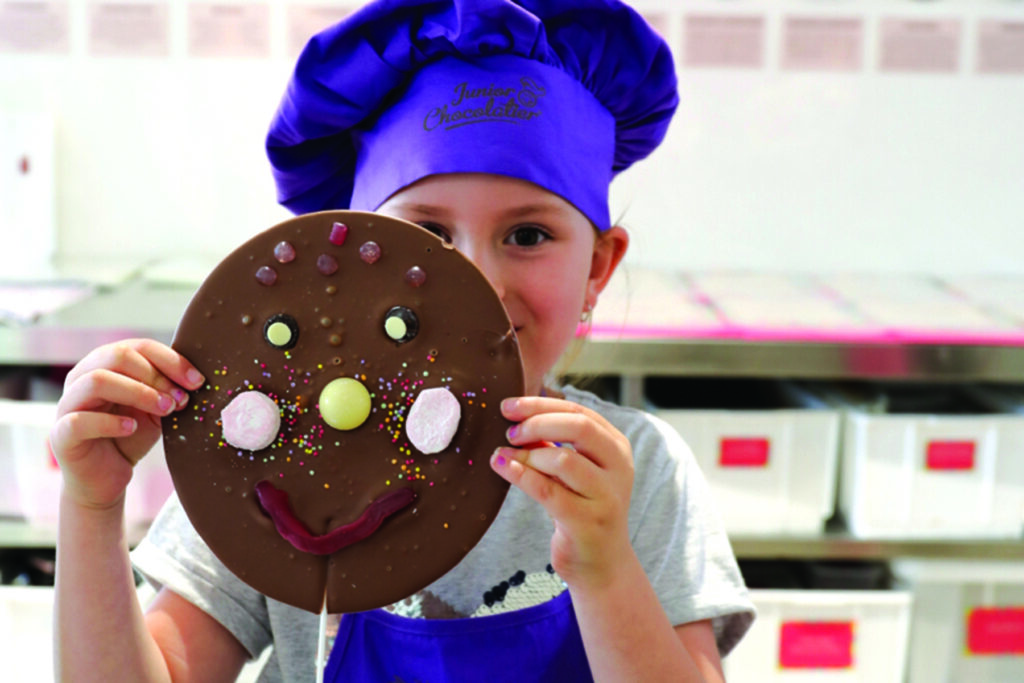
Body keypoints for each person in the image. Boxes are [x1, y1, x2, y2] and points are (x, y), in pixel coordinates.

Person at [51, 1, 754, 681]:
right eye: (428, 236)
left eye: (528, 235)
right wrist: (90, 507)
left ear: (598, 265)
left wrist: (605, 569)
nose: (477, 281)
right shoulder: (272, 459)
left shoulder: (638, 478)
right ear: (361, 250)